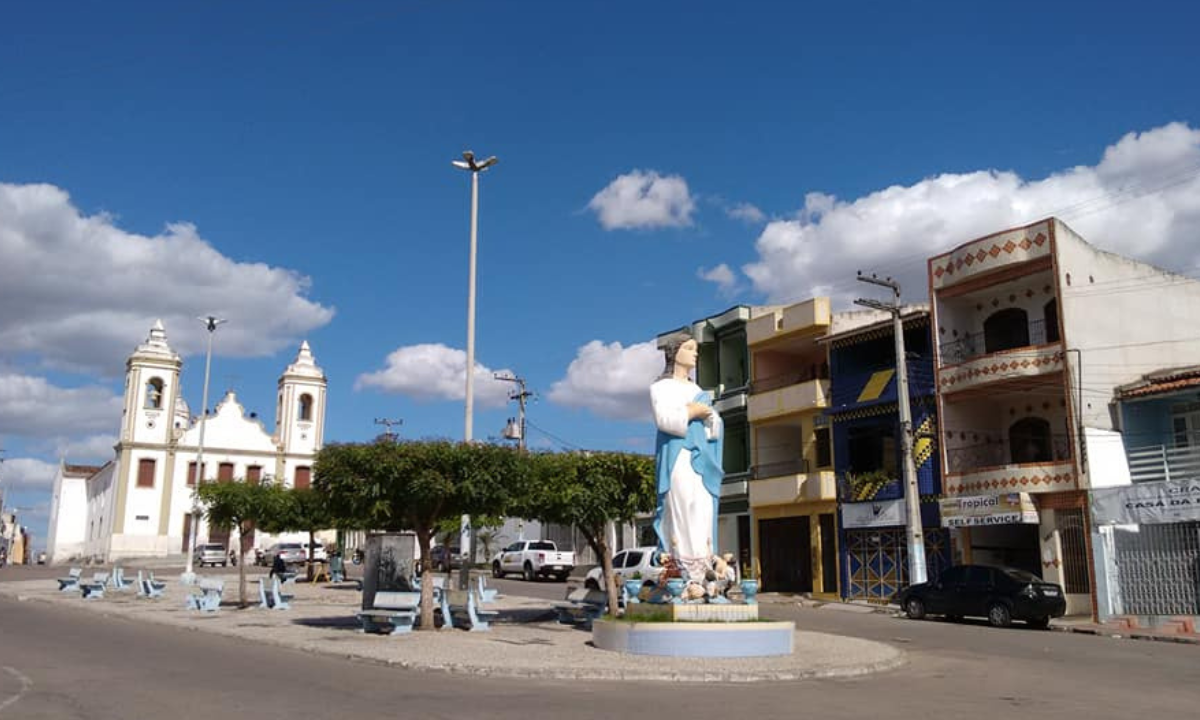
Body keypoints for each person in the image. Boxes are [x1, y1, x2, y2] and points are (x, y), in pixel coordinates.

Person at [650, 334, 724, 590]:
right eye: (689, 348)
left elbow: (714, 426)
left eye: (696, 349)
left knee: (701, 507)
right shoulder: (660, 387)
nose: (695, 354)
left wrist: (711, 418)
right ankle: (682, 572)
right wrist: (692, 412)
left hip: (700, 458)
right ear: (674, 353)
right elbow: (664, 420)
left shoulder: (697, 391)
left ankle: (704, 571)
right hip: (678, 457)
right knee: (680, 507)